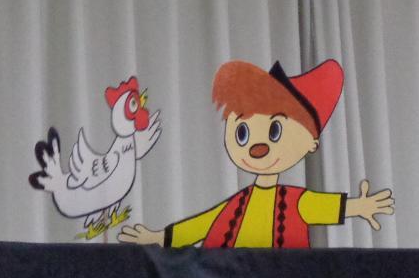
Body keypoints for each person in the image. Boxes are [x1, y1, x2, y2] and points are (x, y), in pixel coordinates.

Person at [118, 59, 393, 248]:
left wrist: (360, 207)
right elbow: (202, 225)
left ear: (311, 143)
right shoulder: (237, 205)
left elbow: (325, 206)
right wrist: (160, 237)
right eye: (242, 133)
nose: (257, 146)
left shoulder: (295, 202)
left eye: (275, 130)